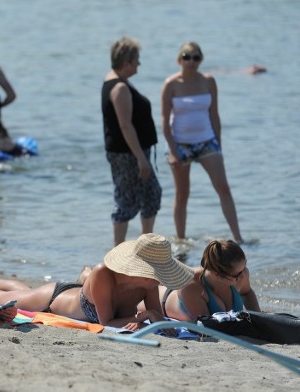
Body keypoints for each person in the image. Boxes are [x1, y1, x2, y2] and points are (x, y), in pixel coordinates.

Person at [0, 233, 194, 331]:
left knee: (25, 290)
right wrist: (145, 316)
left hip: (78, 293)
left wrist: (151, 317)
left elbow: (160, 322)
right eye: (159, 274)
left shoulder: (148, 285)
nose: (161, 279)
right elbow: (106, 323)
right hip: (53, 299)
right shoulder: (104, 274)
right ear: (147, 274)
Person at [161, 42, 244, 243]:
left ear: (201, 60)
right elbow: (164, 120)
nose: (191, 61)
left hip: (207, 141)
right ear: (179, 59)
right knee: (182, 194)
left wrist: (219, 145)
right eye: (186, 56)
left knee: (223, 188)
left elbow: (214, 115)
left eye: (196, 57)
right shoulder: (171, 84)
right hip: (180, 144)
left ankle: (239, 239)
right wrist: (173, 151)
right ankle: (181, 241)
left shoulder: (208, 81)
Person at [101, 37, 162, 246]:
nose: (139, 64)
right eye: (136, 60)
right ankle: (119, 252)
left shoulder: (115, 79)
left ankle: (145, 246)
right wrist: (141, 159)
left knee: (148, 196)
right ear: (126, 63)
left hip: (127, 152)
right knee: (129, 200)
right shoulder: (120, 88)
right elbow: (125, 125)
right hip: (128, 154)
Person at [159, 240, 260, 322]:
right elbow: (209, 327)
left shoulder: (242, 273)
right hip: (161, 299)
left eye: (244, 267)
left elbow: (247, 294)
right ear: (217, 274)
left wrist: (259, 320)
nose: (243, 275)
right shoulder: (191, 285)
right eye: (237, 274)